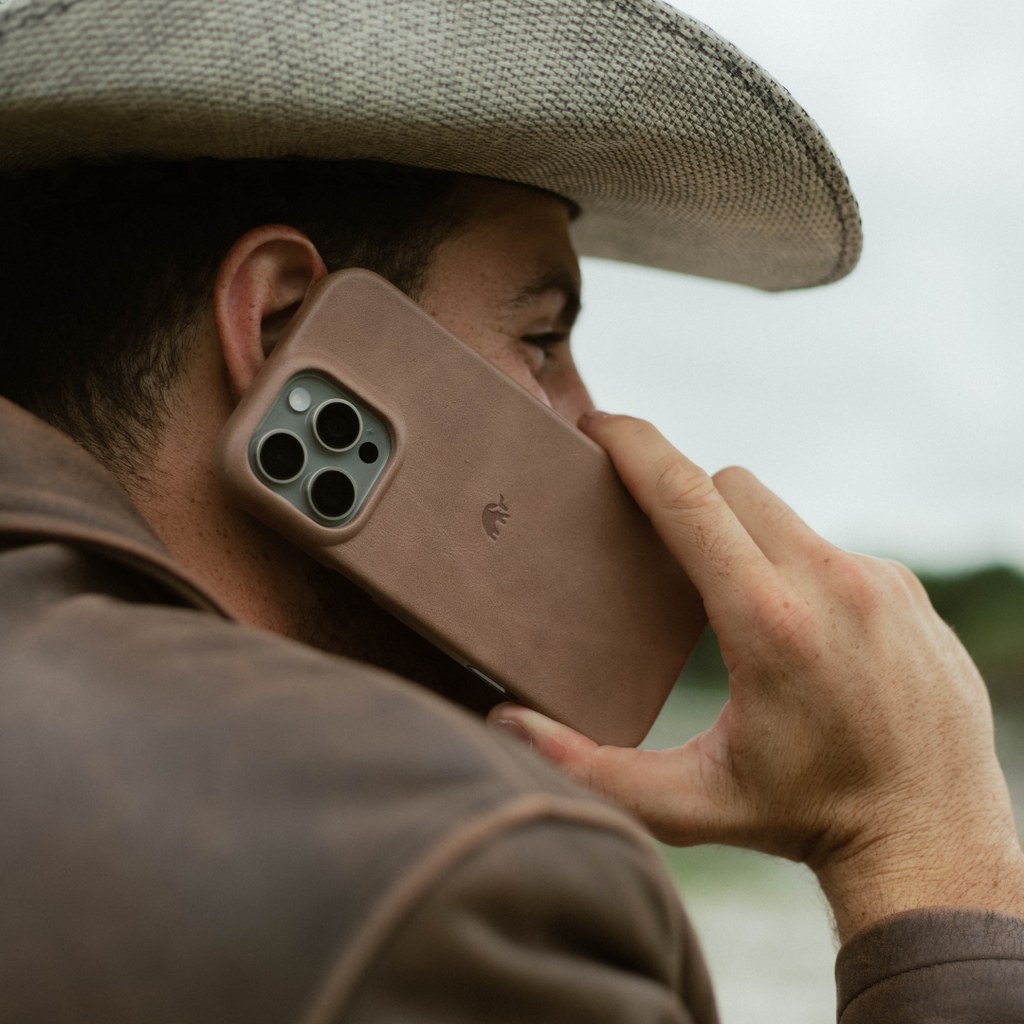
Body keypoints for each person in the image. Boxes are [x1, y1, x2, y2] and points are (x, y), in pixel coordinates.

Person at [1, 0, 1022, 1021]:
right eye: (542, 339)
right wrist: (921, 849)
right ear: (281, 335)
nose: (591, 425)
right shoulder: (453, 876)